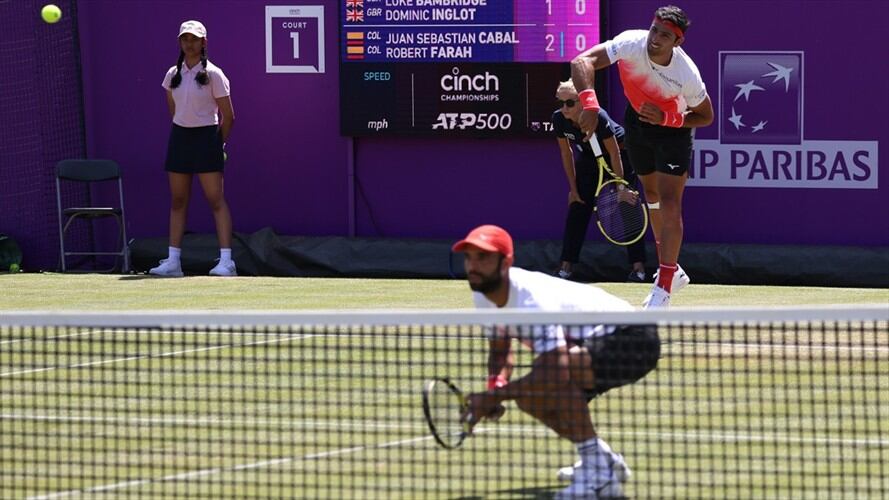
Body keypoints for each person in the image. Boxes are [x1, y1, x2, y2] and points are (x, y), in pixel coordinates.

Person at [453, 224, 660, 499]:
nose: (473, 266)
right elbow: (500, 349)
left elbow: (556, 371)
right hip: (591, 346)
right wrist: (496, 386)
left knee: (555, 375)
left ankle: (598, 475)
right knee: (529, 397)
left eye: (483, 257)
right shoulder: (482, 294)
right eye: (469, 257)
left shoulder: (530, 300)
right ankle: (602, 461)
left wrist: (491, 397)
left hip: (632, 337)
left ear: (506, 263)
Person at [570, 5, 714, 308]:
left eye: (665, 35)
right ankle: (672, 270)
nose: (656, 38)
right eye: (654, 30)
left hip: (672, 130)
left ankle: (663, 284)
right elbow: (582, 60)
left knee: (670, 200)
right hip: (637, 123)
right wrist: (590, 104)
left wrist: (667, 118)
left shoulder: (686, 74)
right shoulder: (630, 44)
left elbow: (705, 115)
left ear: (677, 42)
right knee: (650, 195)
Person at [149, 20, 237, 277]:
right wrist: (184, 128)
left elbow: (229, 116)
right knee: (177, 201)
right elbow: (173, 109)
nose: (189, 43)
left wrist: (217, 142)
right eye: (185, 39)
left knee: (215, 200)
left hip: (207, 138)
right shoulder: (171, 74)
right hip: (180, 138)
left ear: (203, 43)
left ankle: (227, 262)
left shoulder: (214, 74)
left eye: (194, 39)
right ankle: (173, 262)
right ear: (180, 42)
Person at [552, 79, 647, 284]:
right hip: (589, 160)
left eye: (570, 103)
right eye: (561, 102)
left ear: (581, 102)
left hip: (621, 155)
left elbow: (614, 153)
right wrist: (573, 188)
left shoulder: (599, 117)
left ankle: (638, 269)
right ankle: (566, 267)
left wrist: (621, 187)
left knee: (627, 207)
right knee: (578, 207)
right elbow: (566, 153)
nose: (564, 108)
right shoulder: (559, 119)